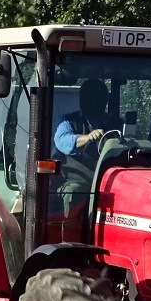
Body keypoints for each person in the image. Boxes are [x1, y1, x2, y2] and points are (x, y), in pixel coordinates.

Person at [52, 78, 118, 216]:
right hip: (75, 180)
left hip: (112, 181)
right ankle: (68, 235)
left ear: (105, 100)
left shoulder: (116, 124)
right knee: (74, 192)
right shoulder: (67, 121)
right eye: (89, 97)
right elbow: (62, 141)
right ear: (81, 99)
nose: (93, 101)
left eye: (98, 97)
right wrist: (87, 137)